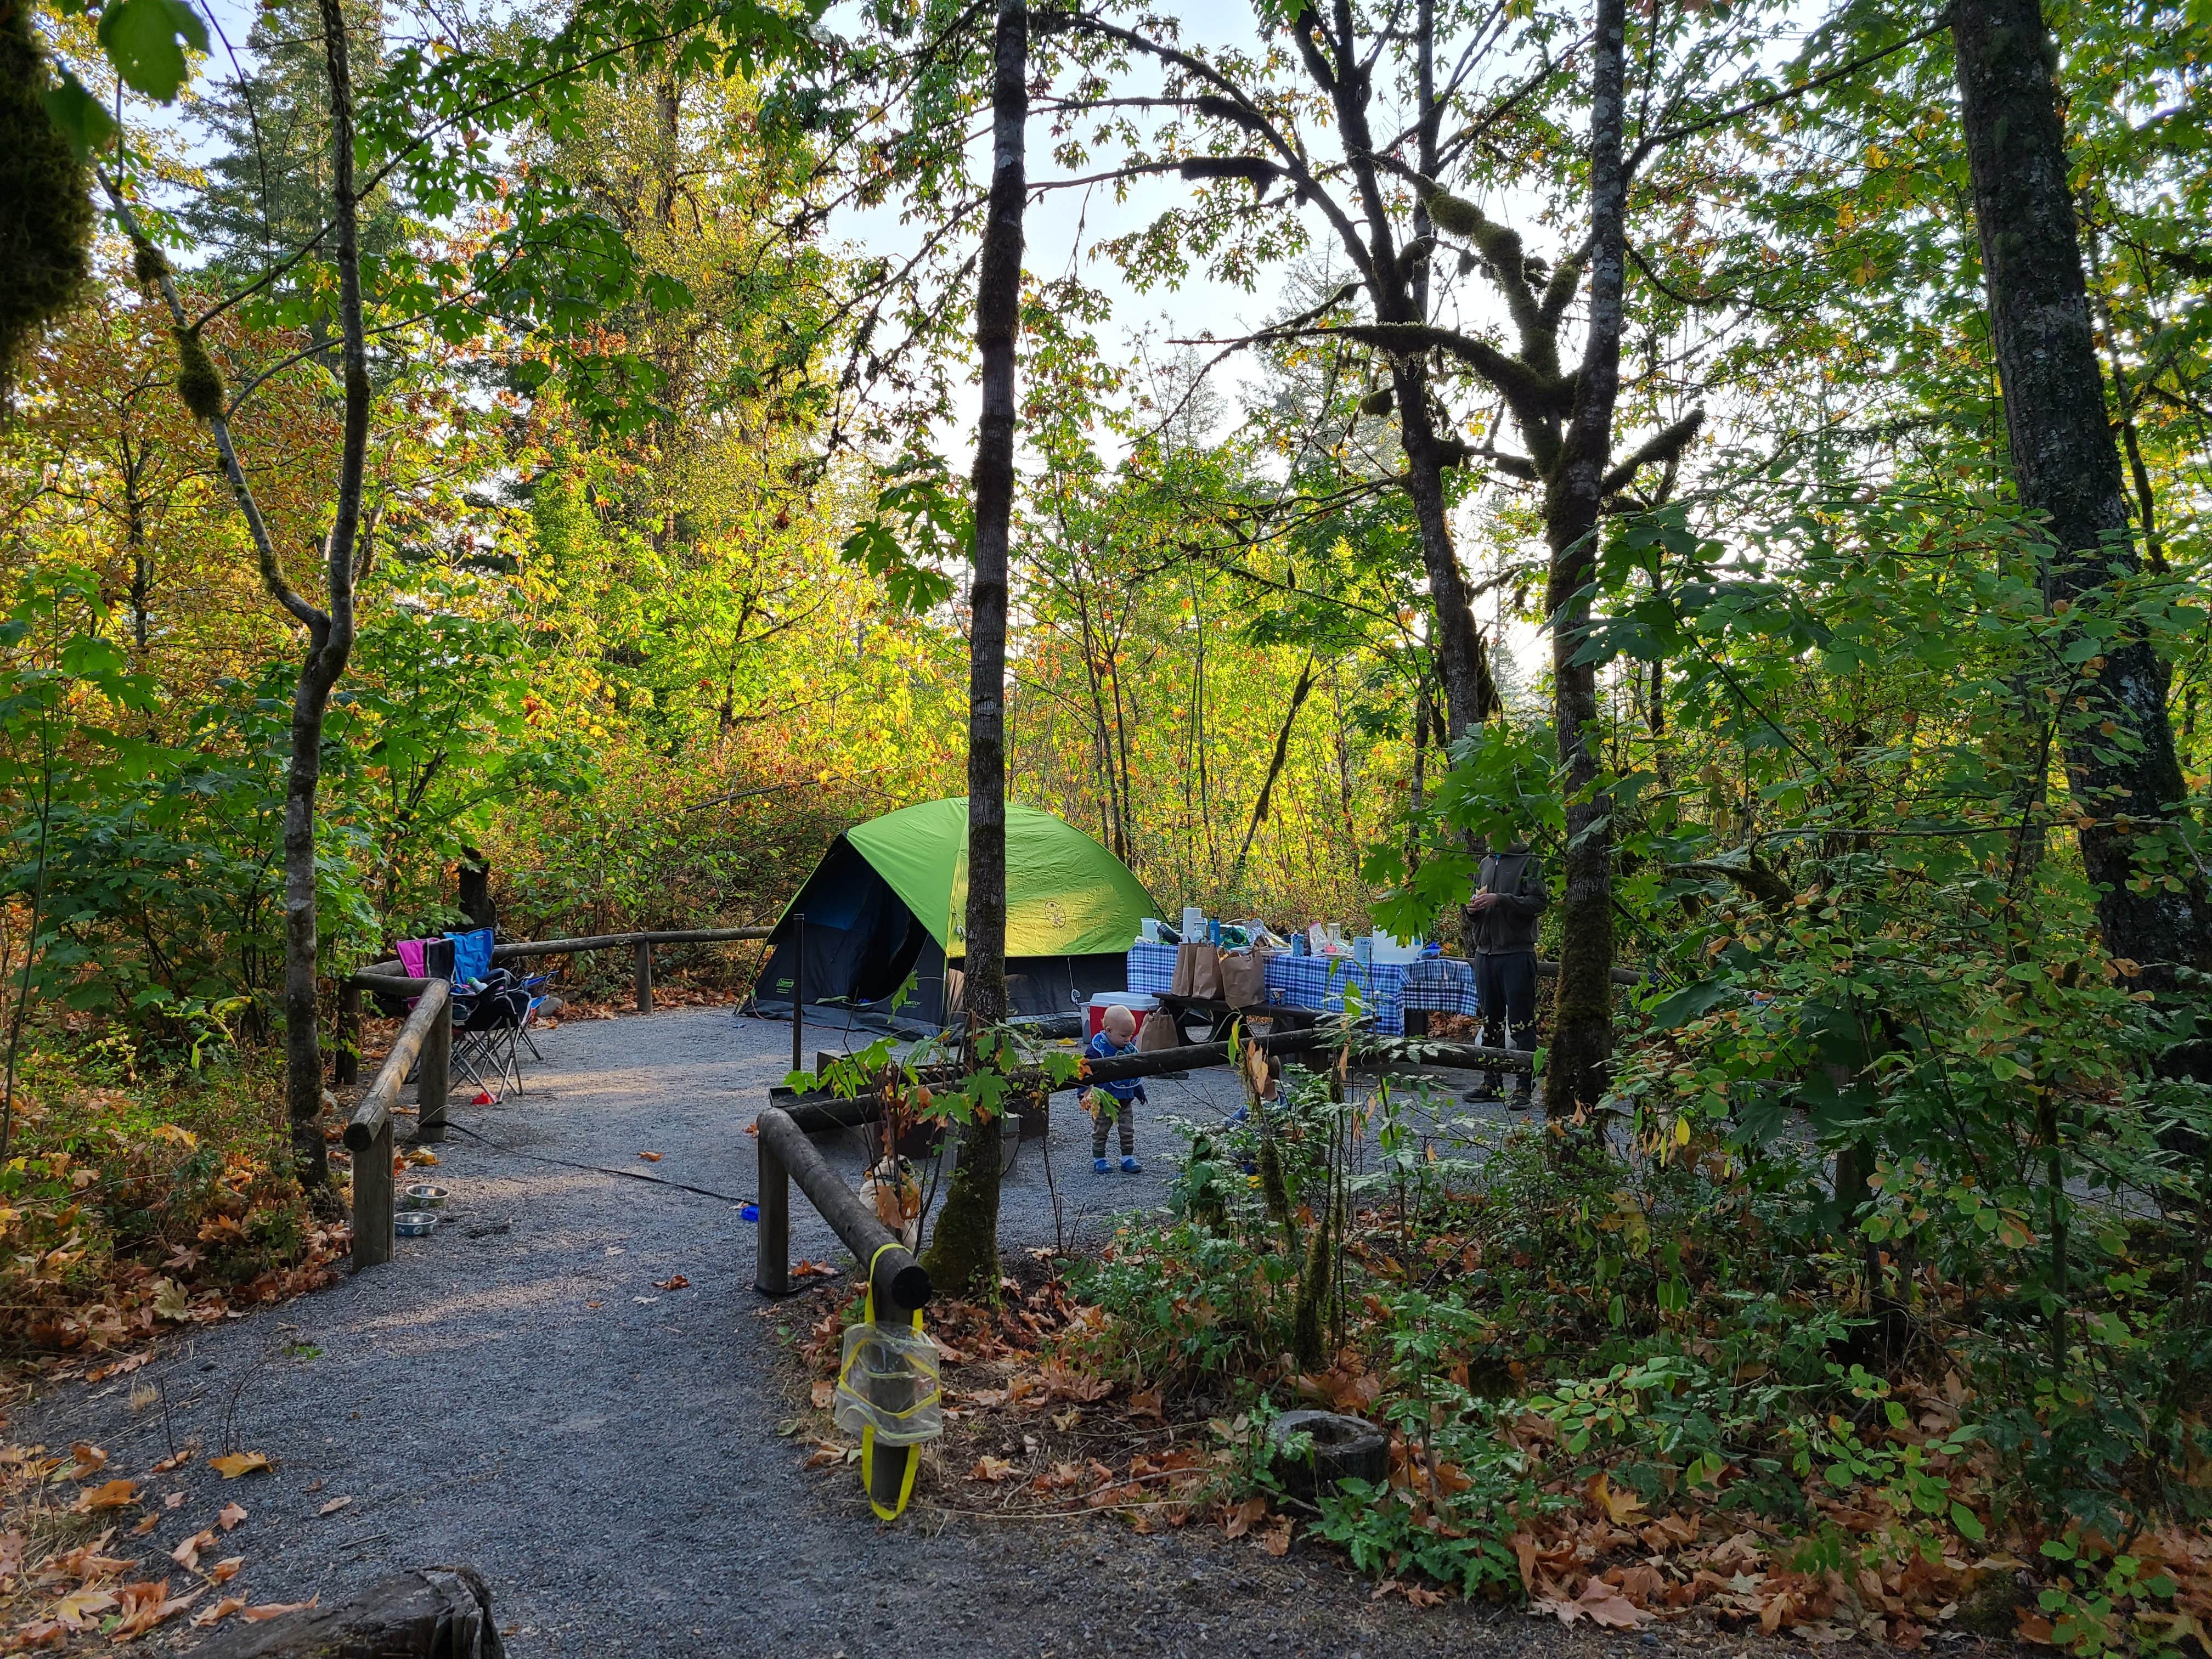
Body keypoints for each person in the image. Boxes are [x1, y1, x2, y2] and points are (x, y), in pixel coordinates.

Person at [1466, 834, 1548, 1107]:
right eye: (1486, 831)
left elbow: (1538, 903)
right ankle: (1492, 1083)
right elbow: (1474, 907)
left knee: (1521, 1023)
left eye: (1495, 829)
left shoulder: (1530, 862)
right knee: (1490, 1022)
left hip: (1516, 953)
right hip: (1484, 953)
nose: (1490, 835)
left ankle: (1524, 1087)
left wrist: (1500, 899)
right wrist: (1472, 909)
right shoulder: (1486, 863)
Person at [1085, 1003, 1147, 1172]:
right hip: (1105, 1100)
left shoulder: (1128, 1049)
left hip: (1126, 1099)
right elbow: (1084, 1072)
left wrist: (1138, 1090)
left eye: (1131, 1035)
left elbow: (1134, 1072)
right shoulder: (1097, 1049)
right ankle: (1099, 1159)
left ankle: (1127, 1158)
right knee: (1101, 1131)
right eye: (1124, 1036)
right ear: (1109, 1031)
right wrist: (1083, 1092)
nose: (1128, 1040)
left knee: (1128, 1130)